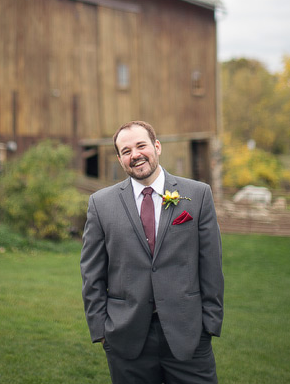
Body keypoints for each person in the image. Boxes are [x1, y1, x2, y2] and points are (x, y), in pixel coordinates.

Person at [80, 120, 225, 383]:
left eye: (140, 145)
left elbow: (211, 264)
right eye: (126, 151)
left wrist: (210, 323)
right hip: (126, 339)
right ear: (120, 159)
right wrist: (101, 330)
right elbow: (92, 273)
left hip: (189, 334)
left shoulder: (198, 194)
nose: (134, 155)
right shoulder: (100, 204)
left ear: (157, 146)